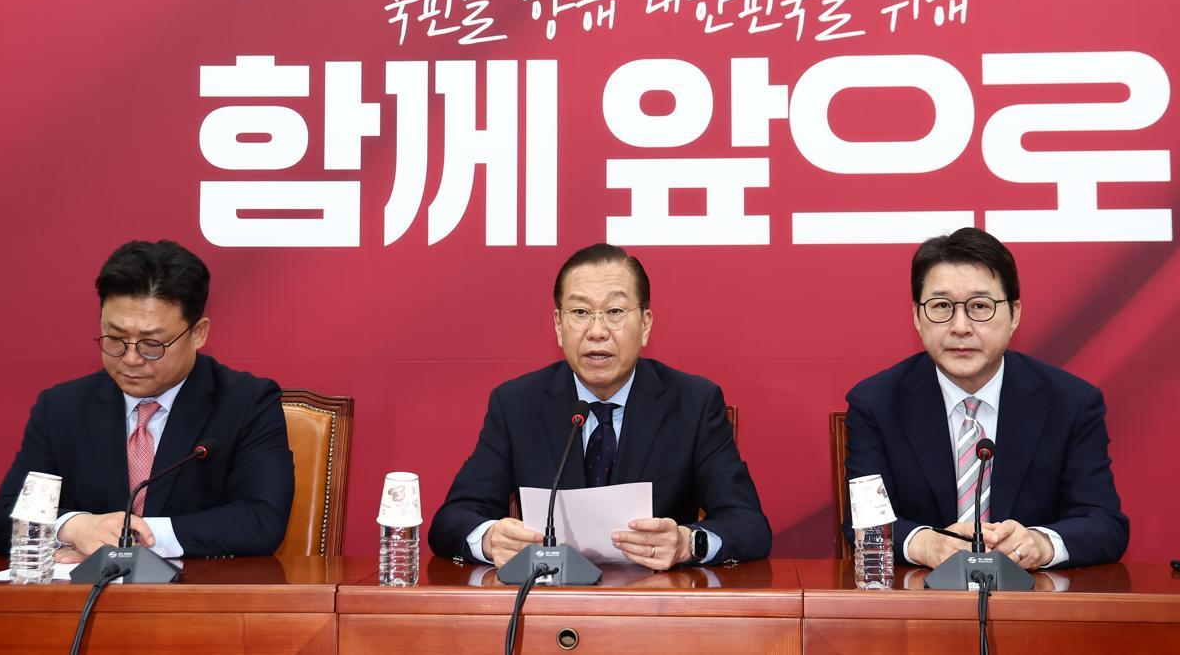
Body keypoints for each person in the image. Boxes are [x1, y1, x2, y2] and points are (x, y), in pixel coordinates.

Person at [428, 243, 771, 570]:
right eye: (580, 312)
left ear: (645, 325)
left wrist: (688, 543)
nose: (597, 331)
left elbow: (749, 525)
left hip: (654, 601)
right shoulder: (516, 404)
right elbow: (452, 520)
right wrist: (490, 539)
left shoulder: (694, 403)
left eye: (615, 312)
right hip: (548, 600)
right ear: (558, 325)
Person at [0, 240, 294, 559]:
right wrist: (74, 527)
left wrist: (130, 538)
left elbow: (262, 521)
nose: (131, 359)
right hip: (84, 590)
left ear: (198, 333)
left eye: (152, 344)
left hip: (195, 587)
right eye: (115, 338)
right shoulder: (62, 407)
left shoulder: (247, 403)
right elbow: (3, 519)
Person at [844, 228, 1129, 570]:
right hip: (919, 599)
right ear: (917, 317)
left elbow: (1104, 523)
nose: (960, 326)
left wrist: (1040, 544)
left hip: (1031, 599)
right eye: (941, 306)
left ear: (1015, 314)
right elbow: (864, 522)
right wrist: (926, 544)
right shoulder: (876, 403)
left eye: (980, 306)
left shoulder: (1071, 403)